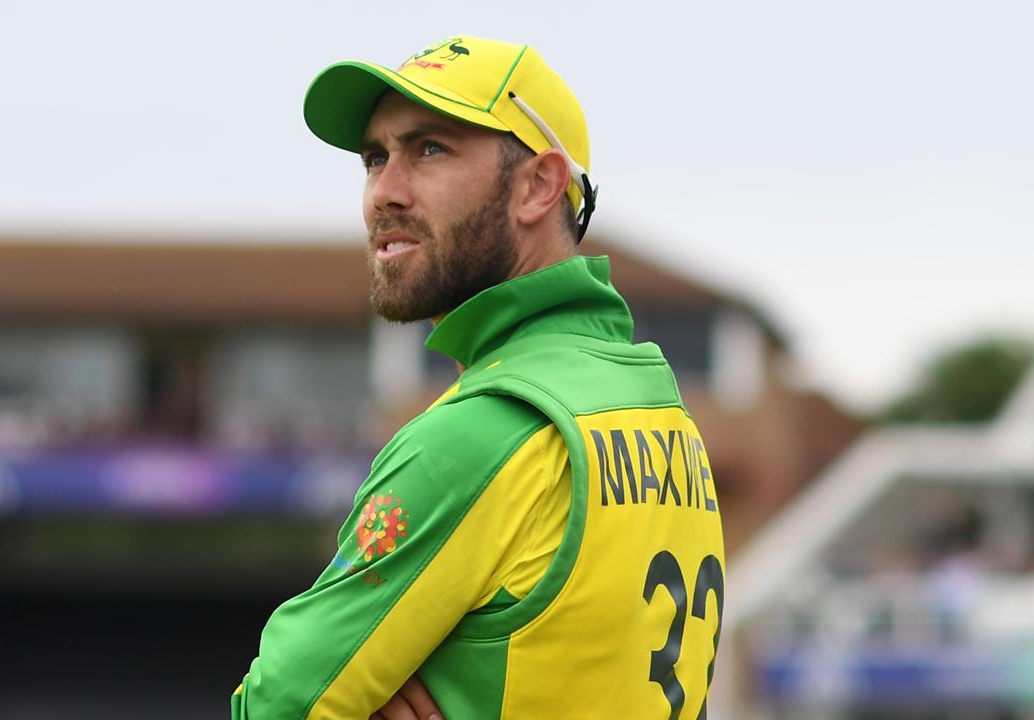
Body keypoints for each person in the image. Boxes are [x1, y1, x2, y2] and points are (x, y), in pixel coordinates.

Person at [231, 35, 726, 719]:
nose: (384, 192)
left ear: (539, 185)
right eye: (375, 157)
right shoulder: (664, 415)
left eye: (430, 149)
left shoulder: (480, 433)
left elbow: (274, 707)